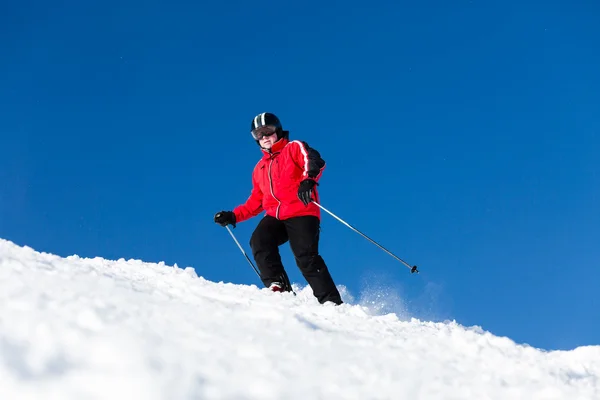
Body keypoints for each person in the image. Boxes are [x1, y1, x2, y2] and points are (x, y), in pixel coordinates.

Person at [214, 112, 343, 305]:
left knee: (305, 257)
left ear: (278, 130)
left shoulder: (293, 148)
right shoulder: (260, 168)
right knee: (259, 240)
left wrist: (308, 180)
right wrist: (234, 216)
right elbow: (257, 200)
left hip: (302, 211)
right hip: (275, 216)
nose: (265, 137)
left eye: (268, 131)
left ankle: (331, 302)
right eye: (259, 134)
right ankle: (279, 287)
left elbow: (314, 160)